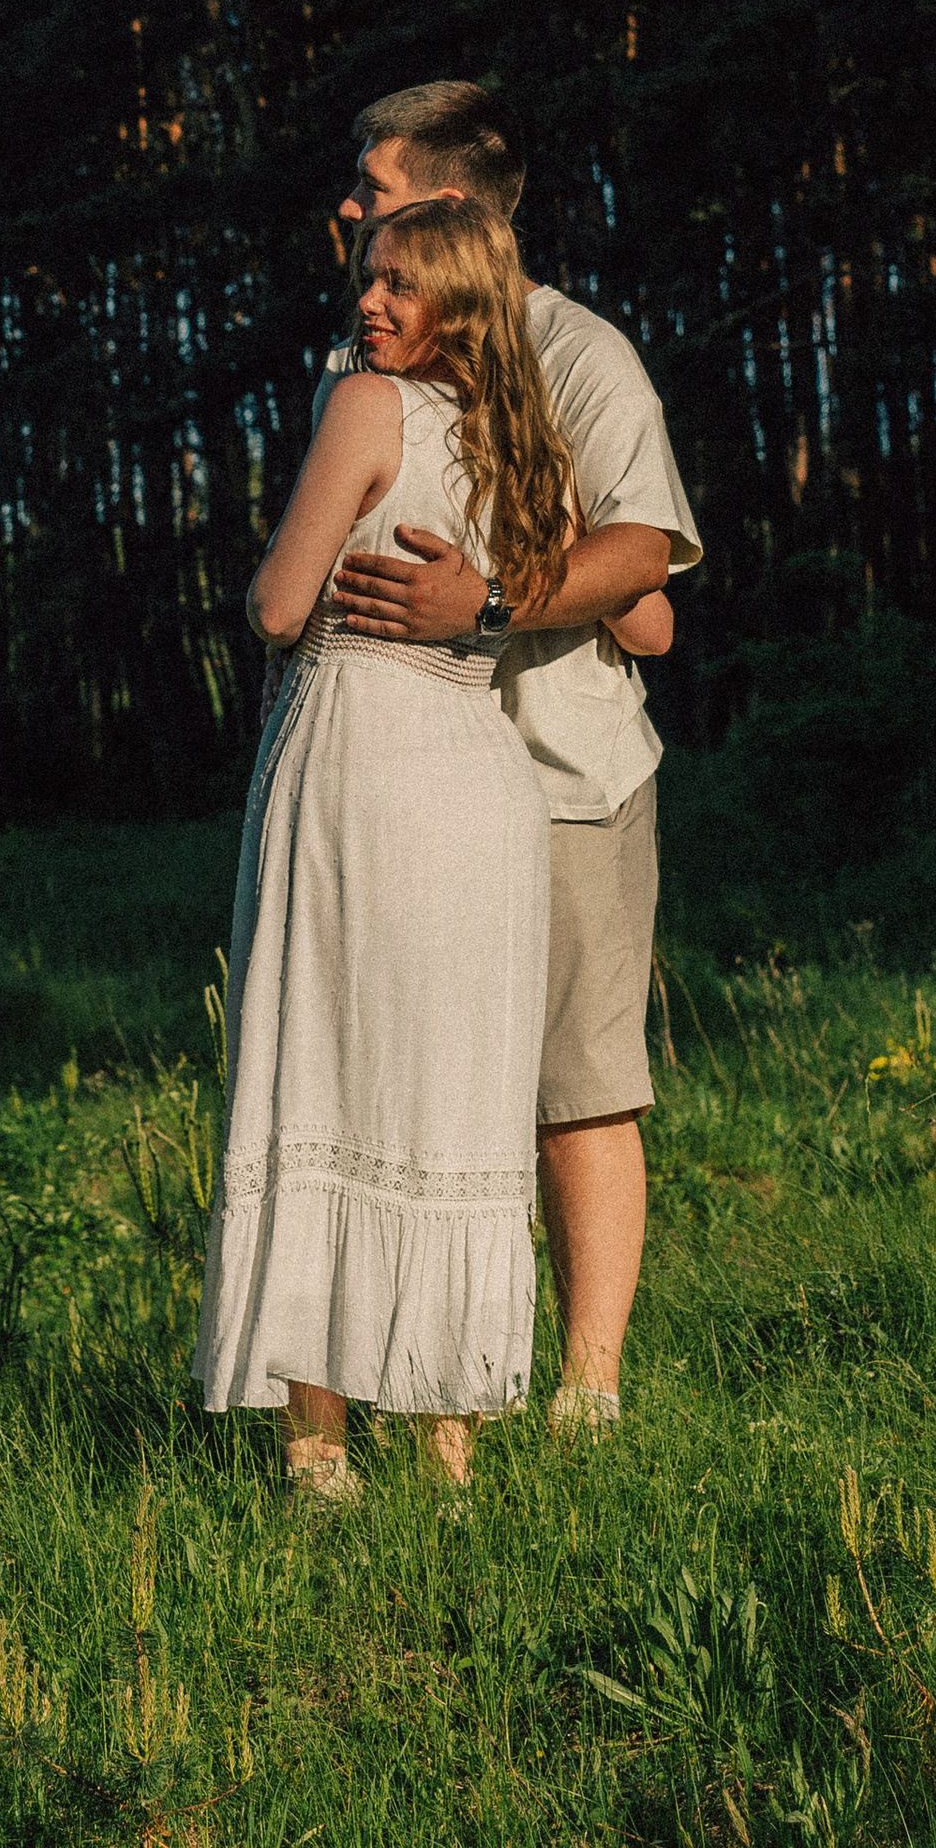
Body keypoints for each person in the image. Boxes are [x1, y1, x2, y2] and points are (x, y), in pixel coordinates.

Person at [195, 202, 670, 1497]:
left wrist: (260, 590)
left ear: (459, 302)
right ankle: (447, 1440)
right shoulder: (529, 442)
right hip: (485, 783)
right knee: (449, 1096)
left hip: (362, 756)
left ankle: (318, 1447)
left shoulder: (362, 408)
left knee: (327, 1072)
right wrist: (510, 588)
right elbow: (652, 625)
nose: (370, 305)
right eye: (366, 281)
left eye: (401, 286)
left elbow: (285, 607)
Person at [322, 80, 700, 1434]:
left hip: (559, 783)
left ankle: (585, 1392)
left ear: (456, 207)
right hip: (401, 791)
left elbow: (642, 561)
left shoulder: (581, 354)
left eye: (372, 193)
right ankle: (422, 1385)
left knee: (575, 1091)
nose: (348, 215)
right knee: (409, 1090)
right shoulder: (367, 365)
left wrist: (479, 601)